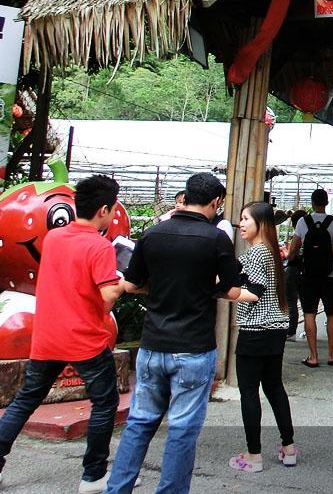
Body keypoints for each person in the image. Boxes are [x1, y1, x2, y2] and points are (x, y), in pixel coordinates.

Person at [107, 172, 242, 494]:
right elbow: (233, 290)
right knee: (181, 430)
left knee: (139, 423)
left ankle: (117, 489)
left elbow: (131, 284)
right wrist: (202, 287)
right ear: (215, 202)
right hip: (193, 348)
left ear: (184, 196)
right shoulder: (216, 239)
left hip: (152, 346)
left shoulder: (152, 235)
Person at [0, 176, 125, 493]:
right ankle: (93, 476)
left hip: (48, 335)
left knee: (25, 401)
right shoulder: (100, 246)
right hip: (85, 340)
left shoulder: (54, 238)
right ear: (103, 210)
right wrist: (126, 279)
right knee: (104, 403)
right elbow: (109, 294)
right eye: (112, 211)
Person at [228, 202, 296, 474]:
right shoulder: (271, 251)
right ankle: (288, 447)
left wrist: (225, 294)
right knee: (274, 387)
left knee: (249, 392)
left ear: (260, 223)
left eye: (246, 219)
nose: (241, 224)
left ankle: (253, 455)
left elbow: (254, 291)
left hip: (255, 330)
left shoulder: (256, 252)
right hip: (276, 329)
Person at [289, 189, 333, 368]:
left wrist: (299, 260)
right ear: (326, 202)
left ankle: (313, 356)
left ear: (312, 203)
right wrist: (330, 260)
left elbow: (293, 248)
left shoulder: (302, 222)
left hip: (308, 275)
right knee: (331, 314)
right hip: (330, 276)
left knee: (309, 313)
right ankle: (331, 354)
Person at [284, 209, 306, 342]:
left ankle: (291, 330)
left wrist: (286, 252)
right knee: (306, 302)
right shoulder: (311, 234)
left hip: (293, 270)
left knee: (291, 301)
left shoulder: (297, 235)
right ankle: (308, 329)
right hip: (307, 271)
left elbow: (291, 255)